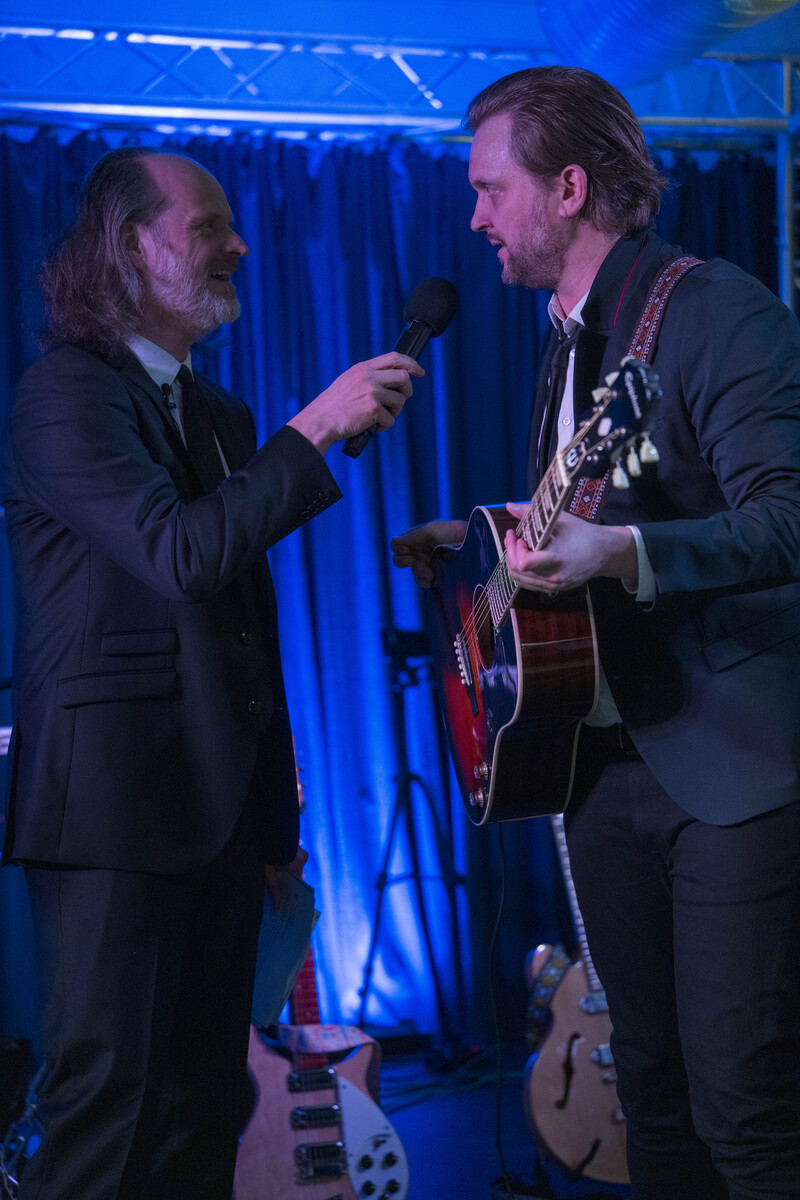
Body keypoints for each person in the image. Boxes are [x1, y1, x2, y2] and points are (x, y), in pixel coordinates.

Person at [392, 66, 800, 1199]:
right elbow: (596, 514)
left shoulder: (712, 309)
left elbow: (786, 516)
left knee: (745, 1111)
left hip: (726, 773)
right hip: (599, 766)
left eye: (490, 190)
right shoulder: (568, 341)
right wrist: (489, 544)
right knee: (649, 1106)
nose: (475, 218)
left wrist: (621, 552)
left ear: (567, 188)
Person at [2, 146, 422, 1200]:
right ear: (130, 246)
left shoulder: (221, 414)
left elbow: (244, 635)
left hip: (226, 827)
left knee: (203, 1112)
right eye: (207, 228)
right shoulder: (63, 394)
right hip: (113, 821)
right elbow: (180, 554)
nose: (238, 244)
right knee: (108, 1113)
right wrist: (315, 429)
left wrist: (276, 834)